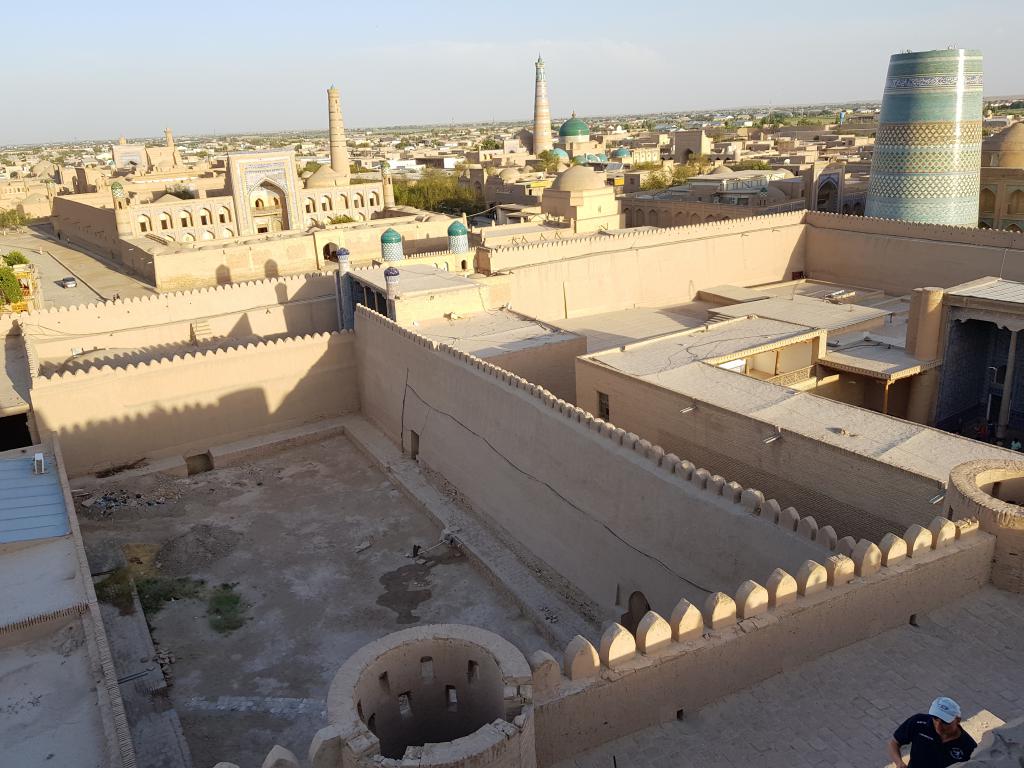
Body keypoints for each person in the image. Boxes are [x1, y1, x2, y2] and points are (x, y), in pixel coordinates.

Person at [888, 697, 977, 767]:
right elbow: (894, 743)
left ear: (958, 720)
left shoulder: (969, 747)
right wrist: (899, 763)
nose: (938, 725)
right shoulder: (918, 722)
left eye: (944, 721)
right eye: (935, 718)